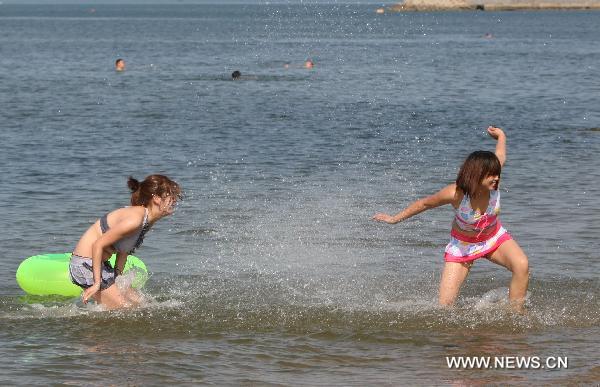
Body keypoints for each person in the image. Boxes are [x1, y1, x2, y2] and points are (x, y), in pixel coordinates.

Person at [373, 127, 529, 311]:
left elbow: (500, 155)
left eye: (497, 173)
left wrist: (501, 136)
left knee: (522, 265)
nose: (497, 178)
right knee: (445, 306)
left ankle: (515, 313)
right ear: (477, 174)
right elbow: (425, 204)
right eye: (491, 174)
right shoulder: (455, 194)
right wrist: (394, 219)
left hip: (493, 238)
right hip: (462, 246)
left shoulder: (494, 183)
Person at [69, 175, 181, 309]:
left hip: (102, 265)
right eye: (170, 196)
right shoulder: (135, 219)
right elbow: (98, 244)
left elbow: (123, 252)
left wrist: (118, 279)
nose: (174, 200)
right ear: (156, 198)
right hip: (85, 265)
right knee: (126, 309)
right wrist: (97, 283)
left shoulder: (146, 221)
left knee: (143, 304)